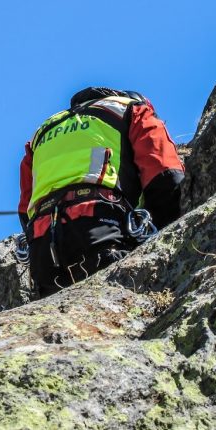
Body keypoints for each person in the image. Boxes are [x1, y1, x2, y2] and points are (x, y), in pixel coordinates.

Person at [18, 87, 184, 297]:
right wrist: (160, 231)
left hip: (42, 244)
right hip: (100, 226)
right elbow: (165, 173)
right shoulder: (131, 109)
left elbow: (26, 208)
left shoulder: (41, 133)